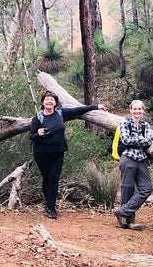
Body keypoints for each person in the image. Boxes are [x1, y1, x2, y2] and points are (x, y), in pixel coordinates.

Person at [29, 90, 106, 219]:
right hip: (41, 152)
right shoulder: (37, 117)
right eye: (47, 99)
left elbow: (78, 110)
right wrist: (39, 134)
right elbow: (32, 136)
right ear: (42, 102)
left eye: (52, 99)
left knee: (54, 178)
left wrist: (96, 106)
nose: (49, 101)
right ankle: (48, 204)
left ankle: (51, 208)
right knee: (46, 178)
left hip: (58, 152)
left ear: (55, 102)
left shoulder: (60, 113)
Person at [114, 99, 153, 231]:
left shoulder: (145, 125)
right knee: (127, 188)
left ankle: (122, 211)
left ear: (143, 111)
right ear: (131, 110)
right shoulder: (125, 122)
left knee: (146, 187)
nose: (137, 111)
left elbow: (148, 141)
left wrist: (138, 140)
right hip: (128, 158)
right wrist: (140, 139)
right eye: (135, 109)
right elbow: (125, 139)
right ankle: (129, 221)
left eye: (139, 109)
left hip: (141, 159)